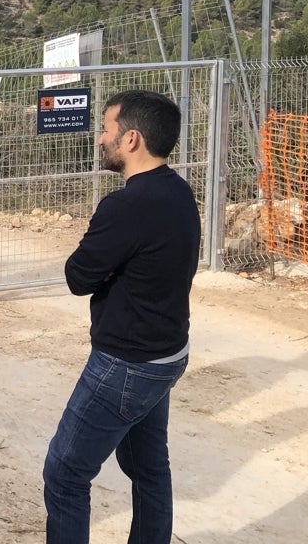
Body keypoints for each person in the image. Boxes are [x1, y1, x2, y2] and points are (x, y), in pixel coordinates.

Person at [42, 90, 200, 544]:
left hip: (126, 364)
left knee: (66, 472)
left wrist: (105, 261)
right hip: (167, 355)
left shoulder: (126, 205)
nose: (99, 140)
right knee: (148, 468)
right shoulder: (178, 189)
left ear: (131, 139)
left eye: (106, 130)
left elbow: (77, 276)